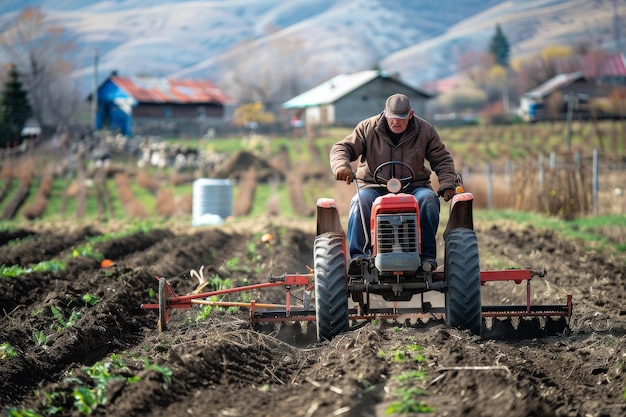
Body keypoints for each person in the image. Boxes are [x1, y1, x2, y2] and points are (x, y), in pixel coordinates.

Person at [329, 93, 457, 271]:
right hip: (374, 186)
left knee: (428, 200)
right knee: (360, 202)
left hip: (414, 186)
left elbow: (442, 158)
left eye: (401, 118)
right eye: (392, 118)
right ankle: (360, 257)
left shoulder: (425, 130)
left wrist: (447, 183)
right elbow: (342, 147)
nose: (396, 122)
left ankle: (426, 256)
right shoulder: (368, 128)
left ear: (410, 115)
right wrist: (341, 166)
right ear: (385, 114)